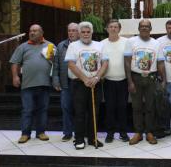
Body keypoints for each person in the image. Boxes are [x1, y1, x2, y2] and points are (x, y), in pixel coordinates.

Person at [65, 21, 109, 149]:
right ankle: (79, 139)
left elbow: (105, 63)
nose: (85, 34)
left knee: (94, 112)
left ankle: (92, 138)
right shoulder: (73, 46)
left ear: (92, 32)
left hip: (95, 84)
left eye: (88, 32)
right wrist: (85, 79)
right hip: (79, 84)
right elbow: (71, 65)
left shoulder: (99, 45)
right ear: (79, 33)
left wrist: (96, 77)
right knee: (79, 112)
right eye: (83, 32)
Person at [10, 24, 54, 143]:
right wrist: (15, 76)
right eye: (30, 31)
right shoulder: (23, 47)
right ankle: (25, 133)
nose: (32, 33)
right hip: (28, 84)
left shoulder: (50, 46)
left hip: (45, 84)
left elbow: (57, 63)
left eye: (35, 31)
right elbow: (14, 62)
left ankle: (41, 132)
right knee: (27, 109)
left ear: (41, 33)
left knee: (43, 109)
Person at [124, 19, 166, 145]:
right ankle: (138, 133)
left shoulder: (156, 43)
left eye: (147, 26)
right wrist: (129, 81)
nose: (144, 28)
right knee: (136, 106)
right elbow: (126, 61)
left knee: (150, 106)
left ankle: (149, 132)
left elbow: (160, 62)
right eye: (142, 26)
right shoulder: (131, 41)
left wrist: (163, 80)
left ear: (150, 29)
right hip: (136, 77)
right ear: (138, 28)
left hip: (151, 78)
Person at [101, 20, 129, 143]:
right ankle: (110, 133)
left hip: (123, 80)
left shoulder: (126, 42)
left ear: (119, 29)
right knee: (109, 108)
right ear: (106, 29)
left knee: (123, 108)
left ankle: (123, 133)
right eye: (110, 27)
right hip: (108, 81)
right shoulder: (101, 44)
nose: (113, 29)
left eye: (115, 27)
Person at [52, 22, 79, 142]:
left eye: (74, 30)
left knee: (80, 109)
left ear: (78, 32)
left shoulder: (82, 45)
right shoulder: (61, 45)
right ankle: (67, 132)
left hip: (79, 82)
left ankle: (80, 132)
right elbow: (56, 64)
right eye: (70, 30)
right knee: (66, 108)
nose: (71, 33)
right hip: (65, 82)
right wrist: (56, 80)